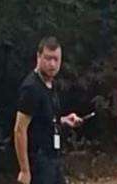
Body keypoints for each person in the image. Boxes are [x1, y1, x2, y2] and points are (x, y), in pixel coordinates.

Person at [14, 36, 83, 184]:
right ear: (38, 57)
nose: (52, 64)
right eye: (48, 58)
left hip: (53, 160)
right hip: (38, 163)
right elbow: (20, 129)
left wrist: (64, 120)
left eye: (56, 59)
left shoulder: (50, 84)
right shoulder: (31, 88)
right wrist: (25, 170)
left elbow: (45, 119)